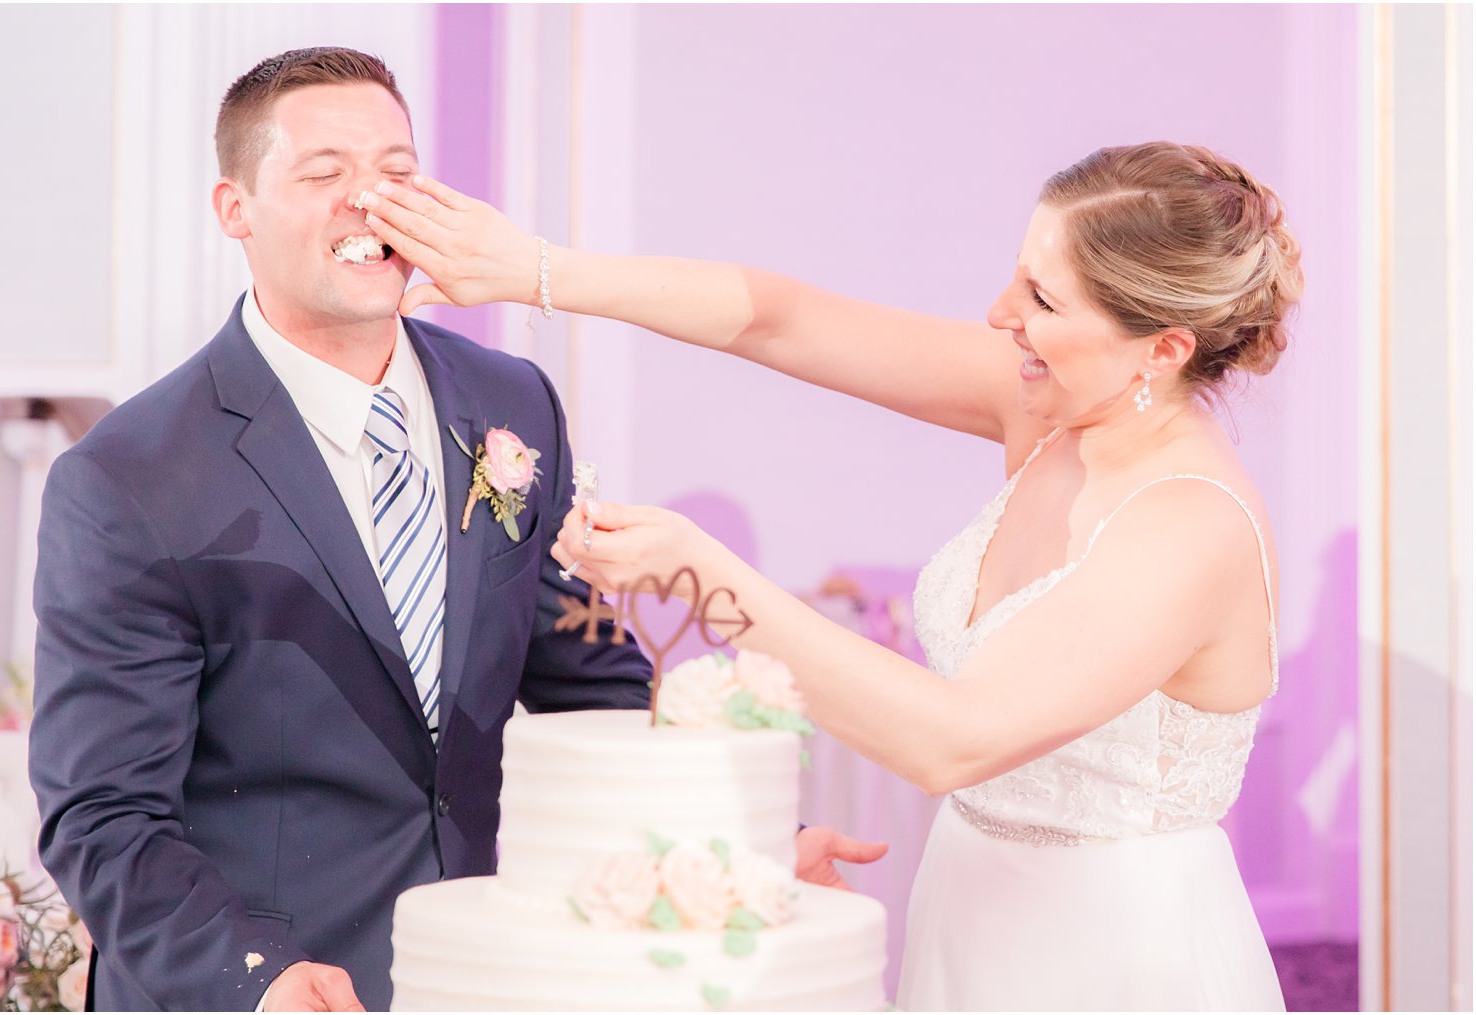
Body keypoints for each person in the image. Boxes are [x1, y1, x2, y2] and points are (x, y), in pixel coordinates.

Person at [359, 140, 1301, 1010]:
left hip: (1117, 956)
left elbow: (955, 740)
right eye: (1020, 274)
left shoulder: (1189, 523)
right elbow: (780, 321)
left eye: (1044, 301)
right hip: (968, 909)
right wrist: (537, 270)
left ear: (1163, 349)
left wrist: (702, 574)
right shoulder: (1053, 403)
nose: (999, 313)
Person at [25, 47, 661, 1012]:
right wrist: (256, 976)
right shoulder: (128, 478)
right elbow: (106, 814)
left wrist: (723, 842)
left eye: (398, 174)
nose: (372, 201)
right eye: (325, 174)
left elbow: (590, 680)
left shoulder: (510, 401)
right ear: (234, 209)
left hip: (475, 974)